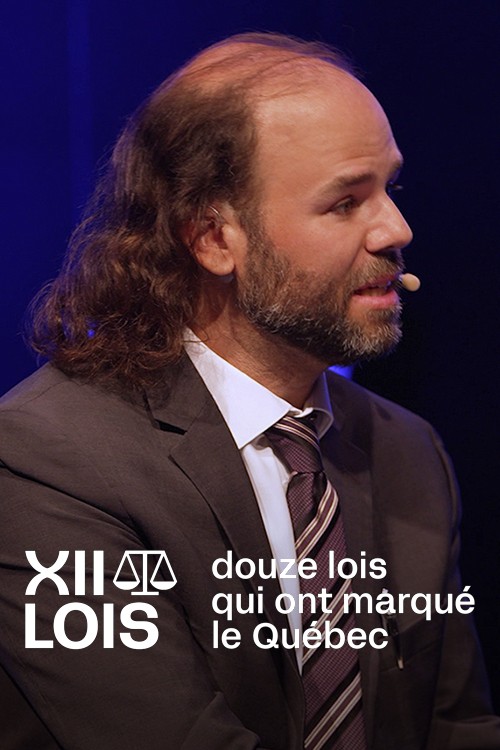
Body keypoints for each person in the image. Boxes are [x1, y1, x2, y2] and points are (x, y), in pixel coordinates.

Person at [0, 32, 498, 750]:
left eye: (390, 189)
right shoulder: (46, 463)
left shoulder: (408, 451)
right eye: (345, 202)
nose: (397, 229)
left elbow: (454, 729)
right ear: (213, 238)